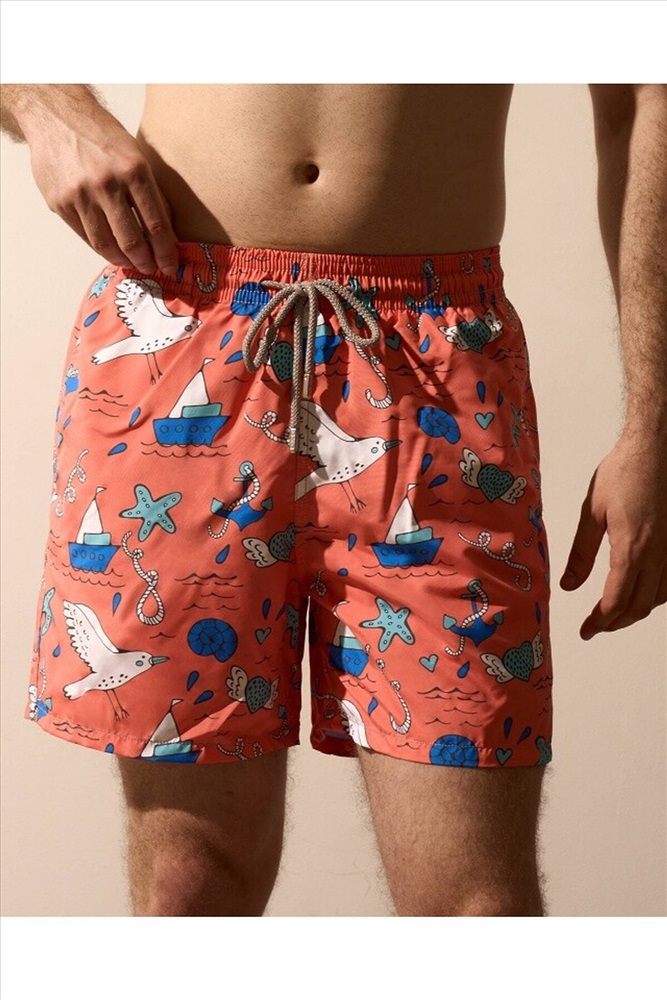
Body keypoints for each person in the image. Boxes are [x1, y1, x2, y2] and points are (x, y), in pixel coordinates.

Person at [2, 83, 665, 918]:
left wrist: (654, 423)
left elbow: (640, 96)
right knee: (188, 886)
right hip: (183, 330)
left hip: (434, 367)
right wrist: (43, 101)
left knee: (476, 908)